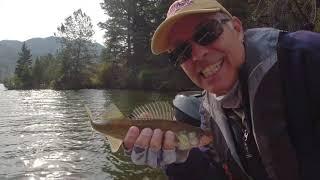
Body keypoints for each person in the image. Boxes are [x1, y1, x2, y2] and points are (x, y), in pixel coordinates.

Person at [123, 0, 320, 179]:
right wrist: (178, 160)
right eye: (182, 51)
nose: (198, 54)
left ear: (237, 28)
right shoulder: (208, 115)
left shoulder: (307, 57)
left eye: (206, 33)